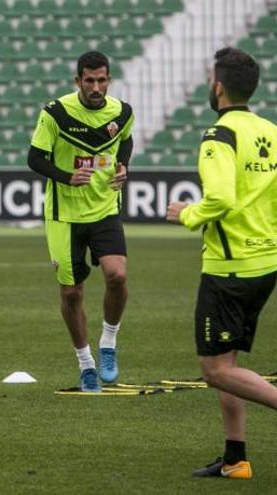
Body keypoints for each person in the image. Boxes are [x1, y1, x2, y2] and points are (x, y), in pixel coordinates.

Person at [167, 47, 277, 480]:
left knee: (214, 370)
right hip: (265, 262)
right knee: (228, 362)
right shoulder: (270, 130)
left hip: (230, 268)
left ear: (218, 87)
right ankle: (235, 459)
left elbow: (220, 199)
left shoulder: (219, 136)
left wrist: (187, 215)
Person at [27, 51, 134, 392]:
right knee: (72, 294)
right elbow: (35, 158)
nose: (96, 87)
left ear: (109, 80)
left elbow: (125, 140)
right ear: (78, 81)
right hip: (65, 216)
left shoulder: (122, 112)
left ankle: (108, 344)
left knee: (117, 275)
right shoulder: (55, 113)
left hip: (104, 208)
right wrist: (64, 176)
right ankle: (85, 363)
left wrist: (123, 166)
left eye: (102, 80)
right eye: (89, 81)